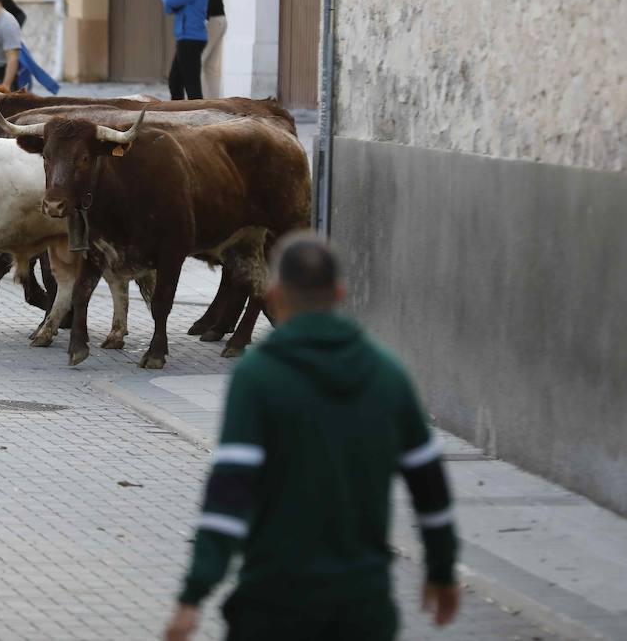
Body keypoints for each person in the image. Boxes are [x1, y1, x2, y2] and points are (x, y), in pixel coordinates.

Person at [164, 233, 461, 641]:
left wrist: (194, 594)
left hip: (273, 605)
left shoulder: (258, 377)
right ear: (339, 293)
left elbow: (229, 493)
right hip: (362, 608)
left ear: (275, 295)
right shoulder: (387, 373)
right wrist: (442, 572)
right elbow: (430, 486)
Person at [162, 0, 209, 101]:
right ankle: (179, 114)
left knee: (191, 84)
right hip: (185, 37)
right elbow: (170, 9)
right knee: (175, 81)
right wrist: (172, 1)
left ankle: (199, 117)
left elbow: (173, 1)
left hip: (191, 38)